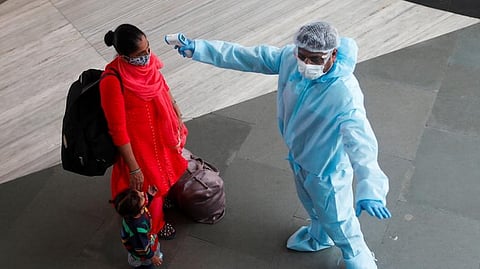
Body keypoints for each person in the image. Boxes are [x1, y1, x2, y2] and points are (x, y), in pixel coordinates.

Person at [172, 21, 391, 269]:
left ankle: (359, 258)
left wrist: (370, 188)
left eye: (315, 59)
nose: (306, 64)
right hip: (300, 158)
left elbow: (362, 143)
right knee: (311, 203)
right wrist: (198, 48)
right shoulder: (290, 59)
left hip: (326, 170)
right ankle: (320, 235)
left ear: (333, 54)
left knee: (340, 220)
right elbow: (247, 56)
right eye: (303, 55)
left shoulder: (344, 93)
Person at [100, 24, 187, 241]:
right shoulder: (112, 81)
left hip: (159, 136)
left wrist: (174, 105)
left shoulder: (147, 62)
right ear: (124, 55)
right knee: (149, 188)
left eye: (148, 49)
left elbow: (160, 81)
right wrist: (133, 168)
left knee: (164, 175)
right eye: (140, 54)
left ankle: (161, 202)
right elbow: (117, 130)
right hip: (139, 147)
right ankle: (155, 227)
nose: (147, 56)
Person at [111, 185, 164, 268]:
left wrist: (149, 196)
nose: (143, 193)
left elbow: (143, 205)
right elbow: (142, 247)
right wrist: (152, 257)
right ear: (138, 210)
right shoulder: (138, 228)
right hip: (143, 253)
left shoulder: (131, 213)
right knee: (147, 265)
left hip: (145, 239)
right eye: (142, 196)